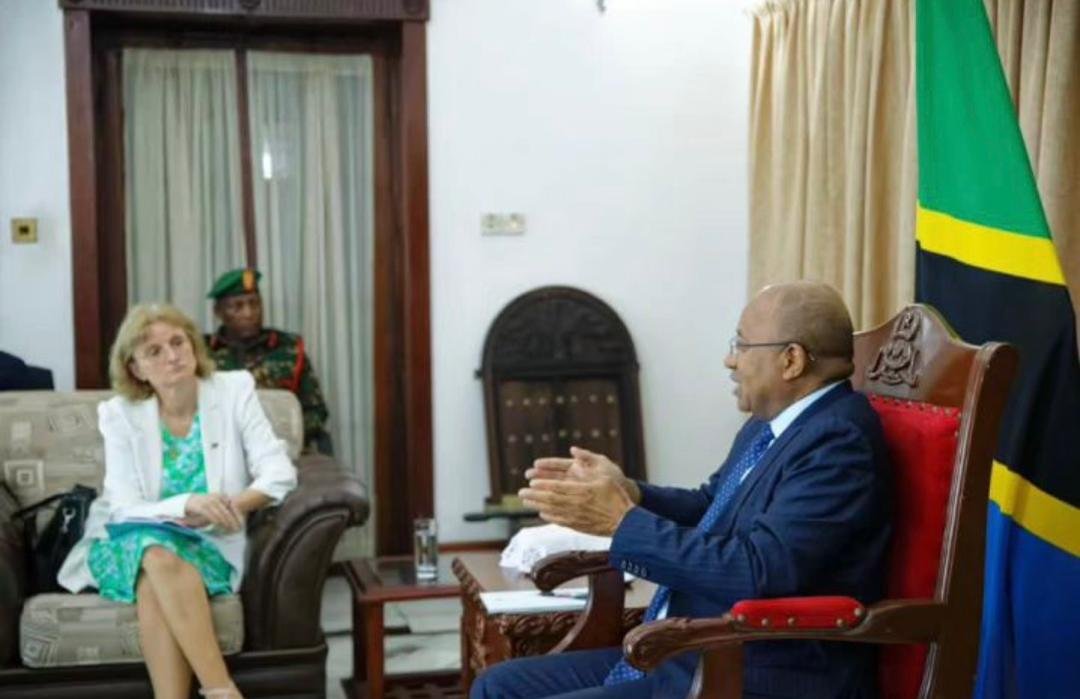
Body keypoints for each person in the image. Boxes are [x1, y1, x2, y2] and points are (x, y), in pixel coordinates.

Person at [472, 281, 893, 699]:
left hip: (754, 671)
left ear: (791, 360)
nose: (730, 360)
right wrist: (631, 493)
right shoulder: (771, 424)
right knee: (497, 685)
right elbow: (711, 506)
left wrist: (622, 521)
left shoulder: (837, 442)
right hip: (690, 653)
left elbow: (759, 572)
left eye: (742, 345)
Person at [58, 303, 298, 699]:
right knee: (155, 552)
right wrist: (187, 504)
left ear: (193, 345)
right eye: (154, 351)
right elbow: (123, 505)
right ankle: (223, 690)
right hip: (125, 541)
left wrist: (233, 506)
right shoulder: (119, 414)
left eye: (177, 342)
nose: (172, 355)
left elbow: (280, 472)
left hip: (209, 543)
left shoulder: (233, 390)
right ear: (136, 369)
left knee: (155, 582)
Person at [204, 268, 332, 454]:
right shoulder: (202, 352)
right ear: (218, 312)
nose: (249, 313)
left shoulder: (288, 349)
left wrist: (284, 436)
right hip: (221, 452)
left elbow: (316, 411)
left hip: (282, 451)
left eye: (254, 303)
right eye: (237, 306)